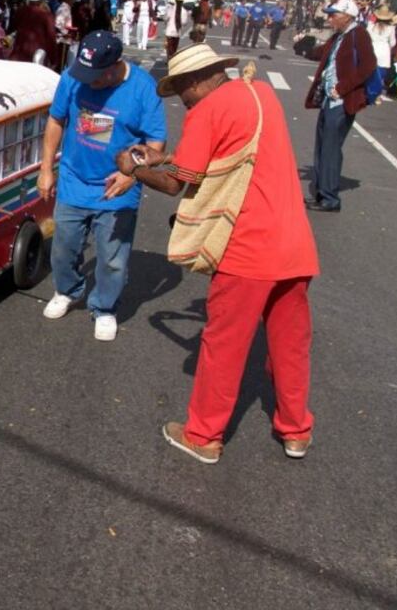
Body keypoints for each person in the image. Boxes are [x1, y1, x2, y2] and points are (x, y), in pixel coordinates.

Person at [116, 44, 319, 464]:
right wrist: (166, 157)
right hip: (294, 241)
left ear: (195, 81)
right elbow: (229, 152)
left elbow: (178, 184)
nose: (183, 101)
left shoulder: (206, 111)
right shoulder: (259, 92)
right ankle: (296, 430)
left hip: (246, 246)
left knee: (223, 345)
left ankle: (204, 436)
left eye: (182, 92)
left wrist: (135, 168)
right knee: (289, 343)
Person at [37, 30, 166, 341]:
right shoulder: (73, 77)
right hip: (73, 178)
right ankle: (68, 289)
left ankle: (104, 306)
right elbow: (56, 120)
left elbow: (156, 143)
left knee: (112, 257)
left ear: (115, 65)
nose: (87, 81)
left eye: (95, 76)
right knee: (63, 246)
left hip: (116, 186)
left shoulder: (143, 89)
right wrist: (46, 169)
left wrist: (131, 174)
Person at [302, 0, 376, 212]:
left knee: (331, 149)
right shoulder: (339, 36)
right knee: (322, 147)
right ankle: (321, 192)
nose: (330, 18)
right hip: (329, 99)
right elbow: (322, 54)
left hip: (342, 101)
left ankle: (329, 197)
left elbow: (368, 66)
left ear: (347, 16)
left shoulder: (358, 34)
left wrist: (343, 87)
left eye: (334, 14)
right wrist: (304, 46)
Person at [9, 0, 59, 68]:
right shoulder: (47, 15)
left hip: (19, 55)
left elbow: (11, 29)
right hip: (37, 58)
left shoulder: (20, 11)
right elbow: (51, 38)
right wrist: (53, 60)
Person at [367, 6, 397, 105]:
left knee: (369, 73)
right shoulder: (391, 28)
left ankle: (368, 92)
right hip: (384, 52)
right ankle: (378, 95)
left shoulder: (371, 26)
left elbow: (366, 38)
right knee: (381, 75)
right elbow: (393, 42)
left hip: (372, 49)